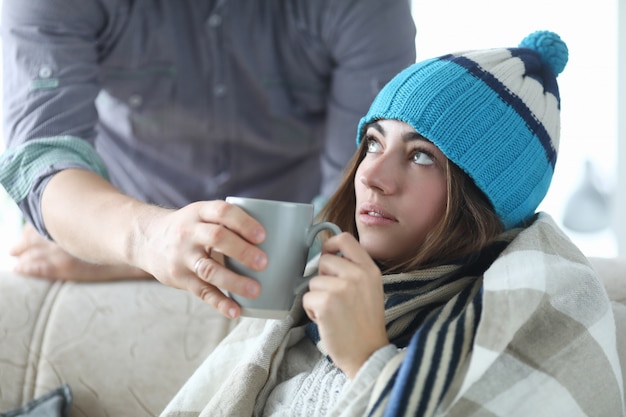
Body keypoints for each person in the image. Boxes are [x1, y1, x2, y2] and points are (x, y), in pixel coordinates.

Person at [160, 31, 625, 416]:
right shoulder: (305, 295)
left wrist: (366, 359)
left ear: (482, 200)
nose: (371, 176)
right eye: (375, 143)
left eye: (421, 156)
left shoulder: (541, 318)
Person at [0, 0, 416, 316]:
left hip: (287, 261)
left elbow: (359, 192)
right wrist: (147, 241)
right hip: (113, 232)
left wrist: (147, 261)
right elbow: (43, 158)